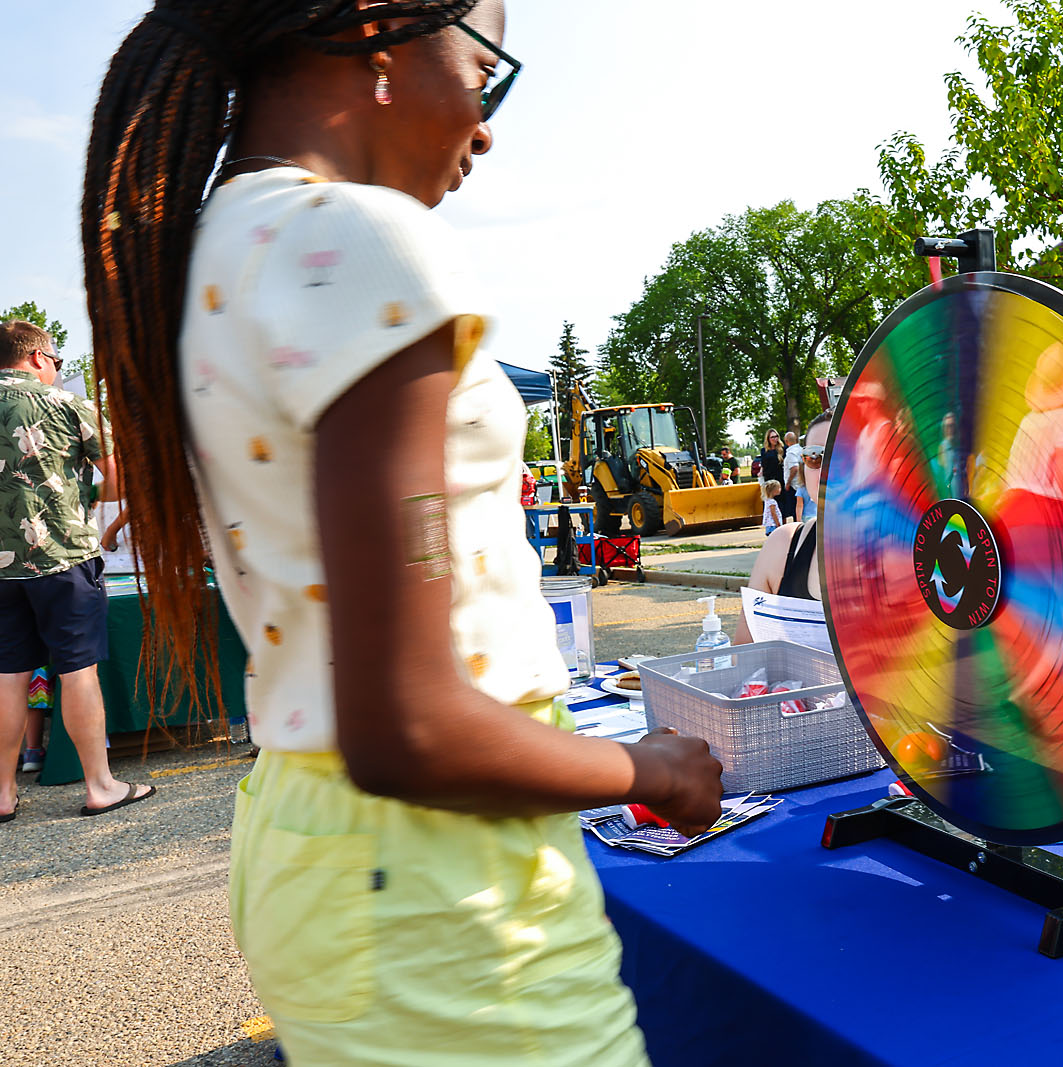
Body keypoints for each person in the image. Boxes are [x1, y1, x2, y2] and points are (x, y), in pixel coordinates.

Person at [83, 3, 722, 1062]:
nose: (485, 124)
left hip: (309, 843)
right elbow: (411, 726)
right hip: (442, 895)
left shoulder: (219, 250)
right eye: (486, 68)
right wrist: (648, 770)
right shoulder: (362, 241)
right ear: (383, 32)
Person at [0, 320, 147, 824]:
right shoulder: (66, 403)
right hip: (63, 558)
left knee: (7, 676)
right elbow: (124, 481)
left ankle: (2, 794)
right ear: (39, 357)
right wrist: (71, 491)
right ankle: (100, 786)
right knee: (77, 670)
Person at [735, 412, 830, 641]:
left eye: (844, 454)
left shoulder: (909, 553)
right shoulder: (783, 545)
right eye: (815, 457)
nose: (828, 468)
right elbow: (742, 656)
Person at [759, 428, 785, 509]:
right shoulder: (764, 451)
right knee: (769, 501)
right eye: (772, 437)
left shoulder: (782, 449)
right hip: (768, 479)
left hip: (779, 478)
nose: (775, 439)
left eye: (776, 436)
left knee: (781, 502)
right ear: (768, 439)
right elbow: (763, 464)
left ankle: (782, 520)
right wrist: (761, 473)